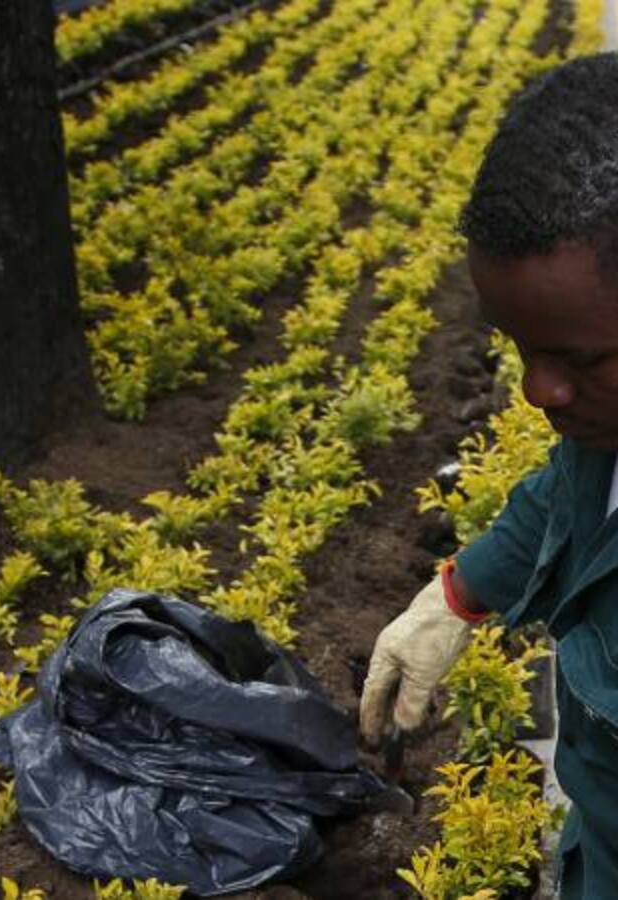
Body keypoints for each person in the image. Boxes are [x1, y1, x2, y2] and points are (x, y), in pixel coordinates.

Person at [359, 52, 618, 899]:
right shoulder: (605, 426)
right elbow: (572, 492)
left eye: (579, 359)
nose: (539, 391)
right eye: (519, 347)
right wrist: (456, 596)